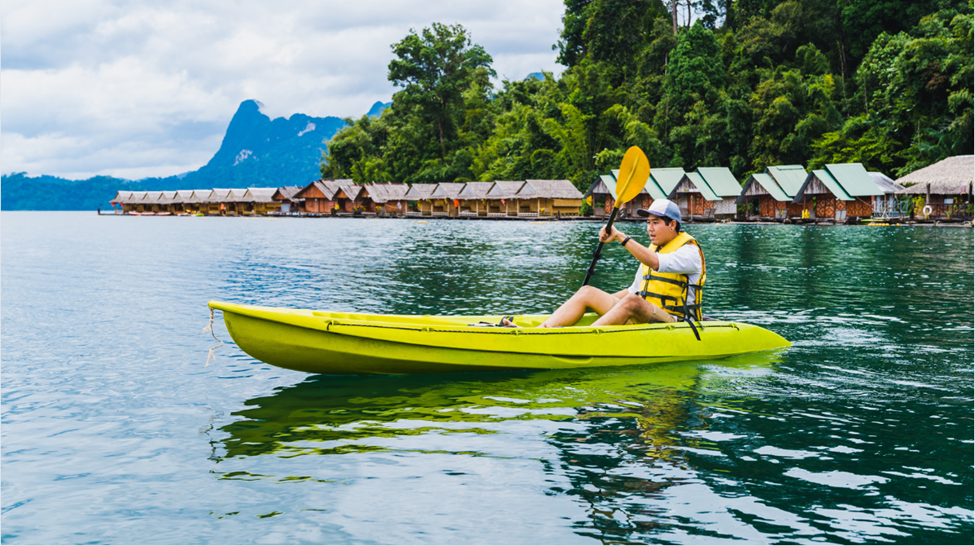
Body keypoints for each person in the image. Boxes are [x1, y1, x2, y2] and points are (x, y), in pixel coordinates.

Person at [504, 199, 705, 328]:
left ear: (672, 225)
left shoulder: (689, 251)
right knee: (588, 292)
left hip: (676, 323)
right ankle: (541, 332)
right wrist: (598, 302)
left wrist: (620, 237)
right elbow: (633, 291)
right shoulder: (654, 248)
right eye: (648, 223)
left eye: (656, 223)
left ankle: (580, 339)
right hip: (643, 313)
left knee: (632, 302)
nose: (650, 229)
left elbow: (656, 263)